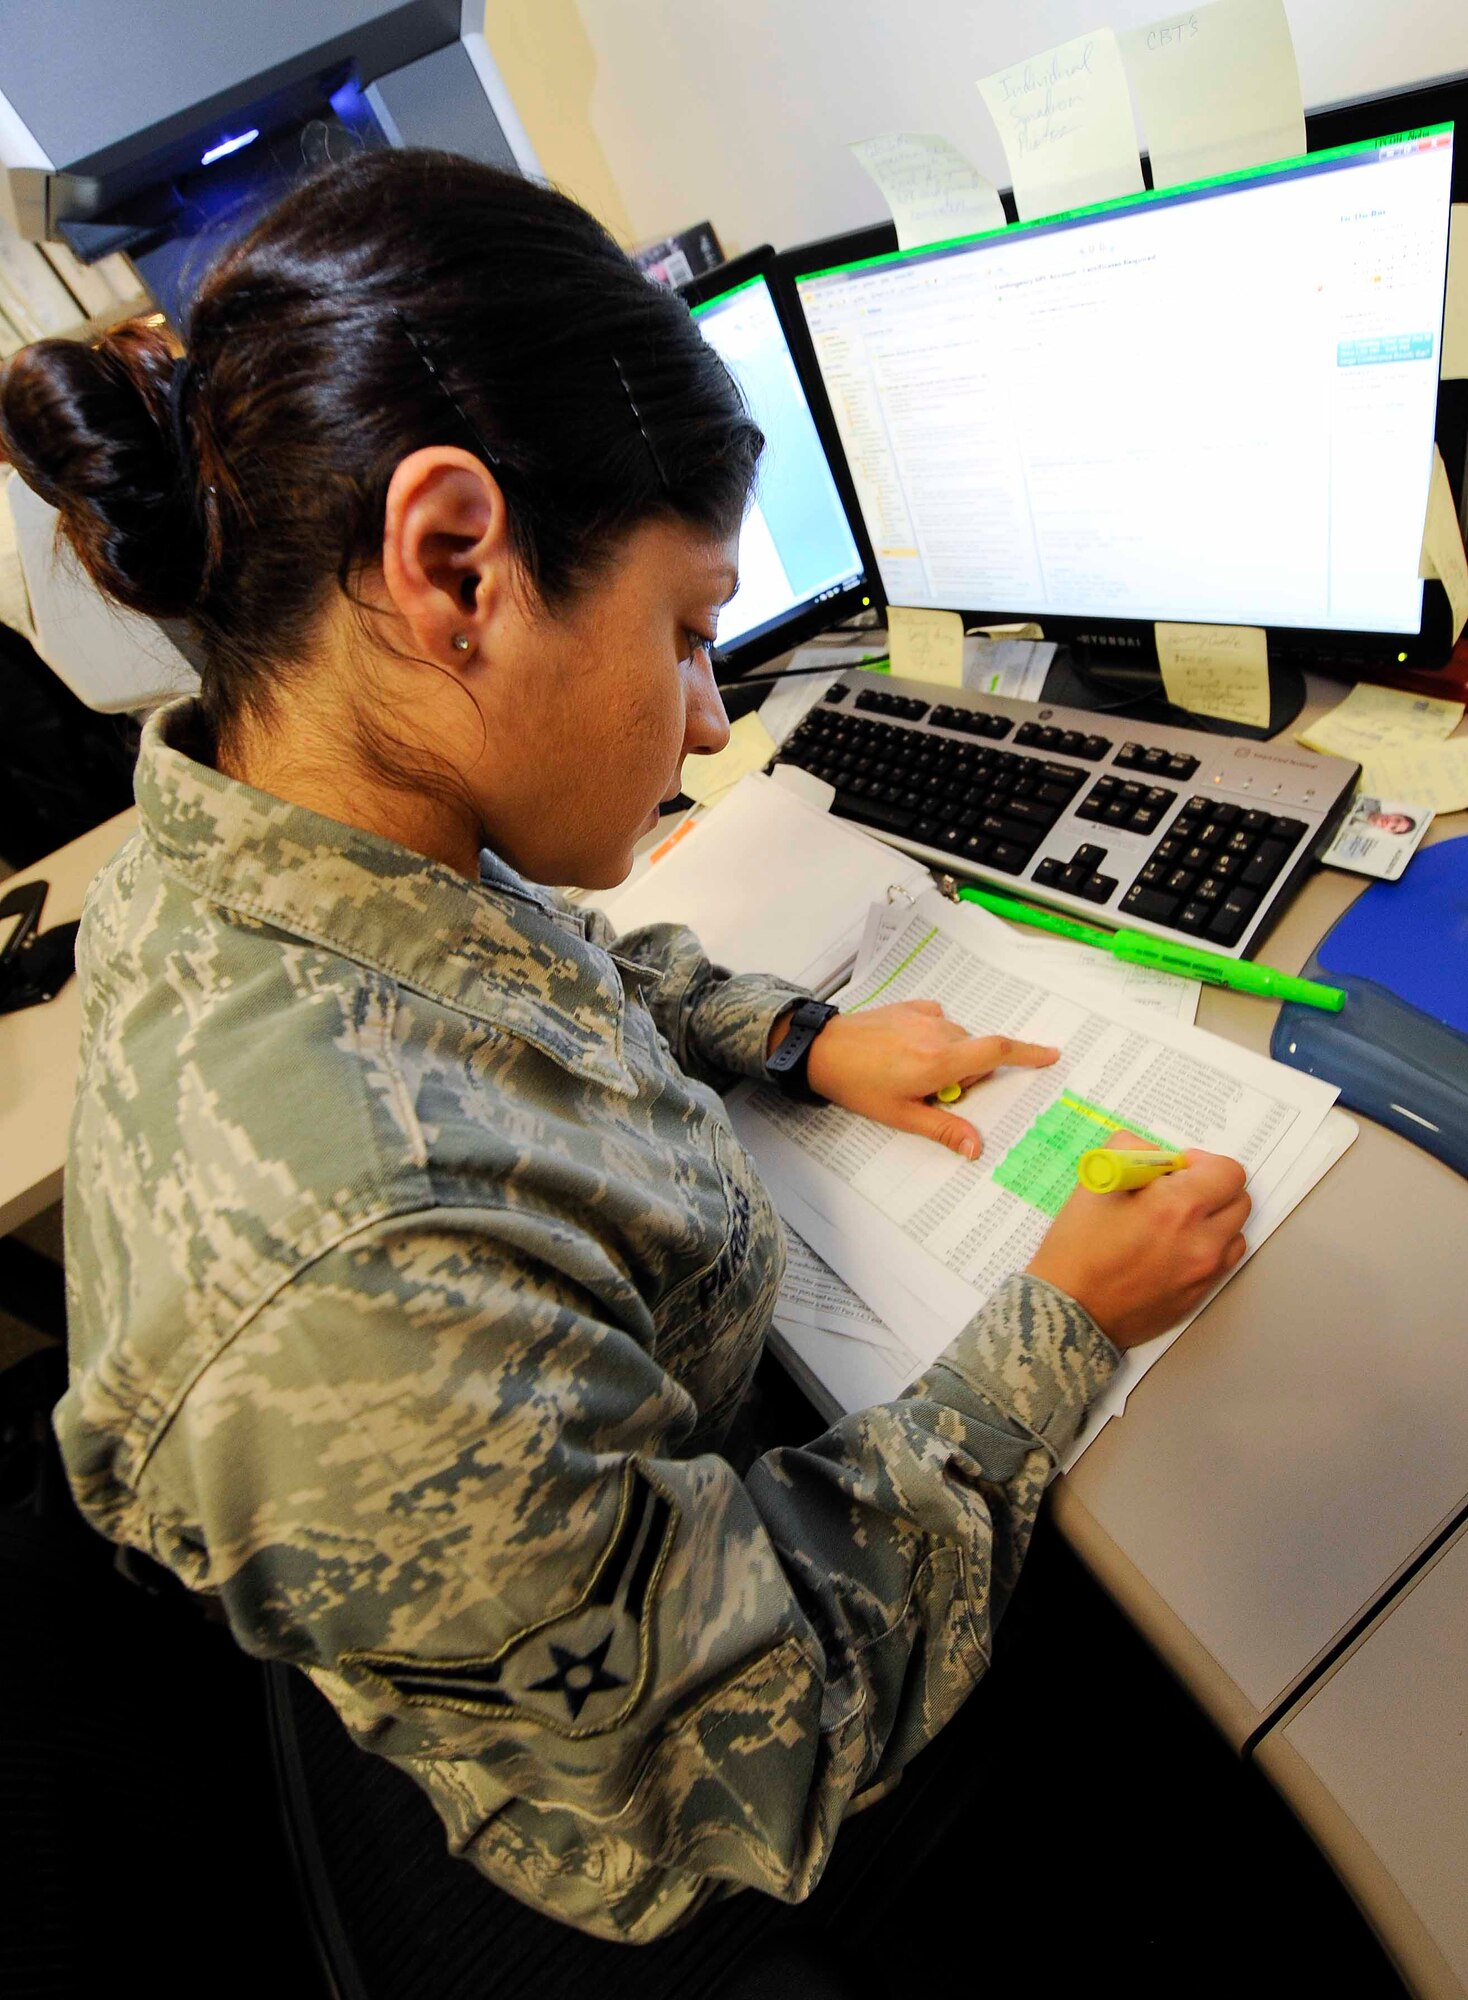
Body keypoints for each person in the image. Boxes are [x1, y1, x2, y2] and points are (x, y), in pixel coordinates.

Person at [0, 150, 1249, 1947]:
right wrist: (1061, 1326)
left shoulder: (288, 824)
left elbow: (529, 975)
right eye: (682, 629)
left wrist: (804, 1042)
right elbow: (763, 1750)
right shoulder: (359, 1279)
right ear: (456, 567)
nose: (711, 708)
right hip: (690, 1803)